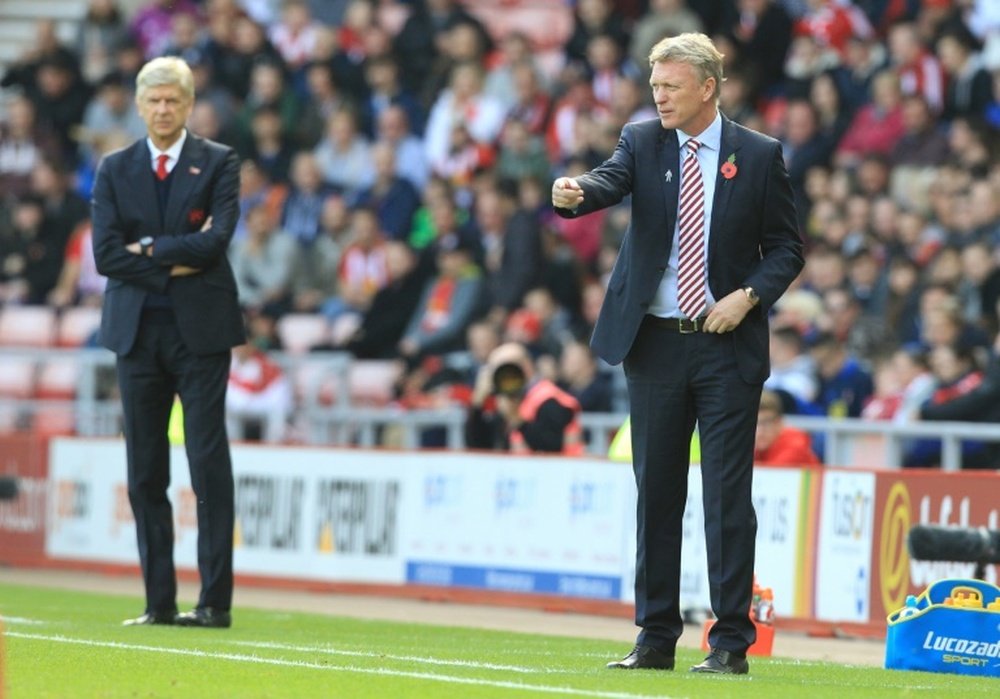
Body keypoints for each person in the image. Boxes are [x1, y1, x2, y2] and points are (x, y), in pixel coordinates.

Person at [551, 33, 804, 674]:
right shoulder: (641, 140)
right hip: (655, 345)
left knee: (726, 497)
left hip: (726, 345)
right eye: (655, 85)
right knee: (657, 495)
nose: (658, 96)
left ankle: (728, 644)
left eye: (670, 86)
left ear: (707, 87)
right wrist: (577, 190)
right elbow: (608, 182)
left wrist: (746, 297)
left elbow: (787, 249)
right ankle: (655, 638)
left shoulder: (759, 153)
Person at [91, 56, 243, 629]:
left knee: (207, 465)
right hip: (136, 336)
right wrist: (178, 255)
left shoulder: (220, 161)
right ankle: (158, 604)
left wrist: (146, 253)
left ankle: (213, 604)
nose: (162, 109)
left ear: (188, 104)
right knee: (145, 472)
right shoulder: (114, 168)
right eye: (153, 101)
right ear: (139, 105)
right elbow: (105, 256)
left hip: (200, 335)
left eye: (172, 100)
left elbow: (218, 242)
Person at [465, 342, 583, 455]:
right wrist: (477, 404)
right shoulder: (502, 399)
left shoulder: (550, 399)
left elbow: (551, 448)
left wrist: (516, 419)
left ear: (526, 366)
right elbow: (478, 446)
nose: (507, 376)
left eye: (510, 368)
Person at [754, 390, 820, 466]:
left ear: (779, 423)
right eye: (755, 424)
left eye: (766, 423)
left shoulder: (795, 445)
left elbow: (771, 474)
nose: (760, 431)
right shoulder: (759, 449)